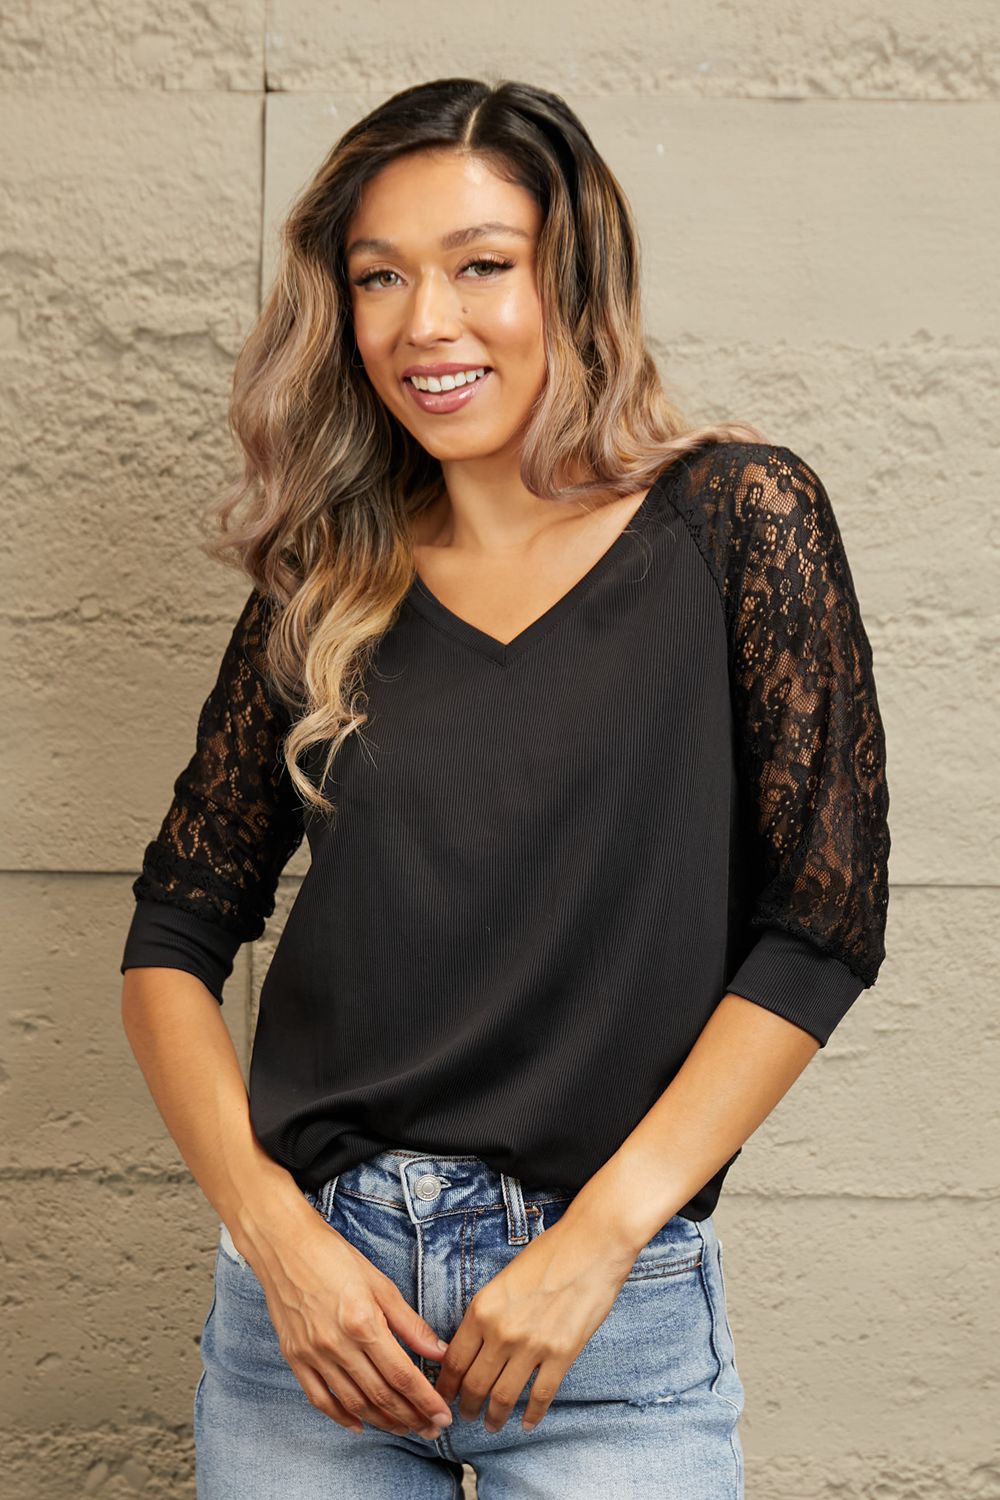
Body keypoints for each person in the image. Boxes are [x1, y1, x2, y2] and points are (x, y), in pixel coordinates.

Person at [119, 76, 891, 1500]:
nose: (426, 322)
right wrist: (276, 1239)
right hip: (317, 1326)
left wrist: (600, 1238)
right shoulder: (327, 577)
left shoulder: (739, 521)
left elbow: (823, 927)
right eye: (380, 277)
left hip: (603, 1318)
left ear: (574, 280)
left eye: (481, 265)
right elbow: (173, 933)